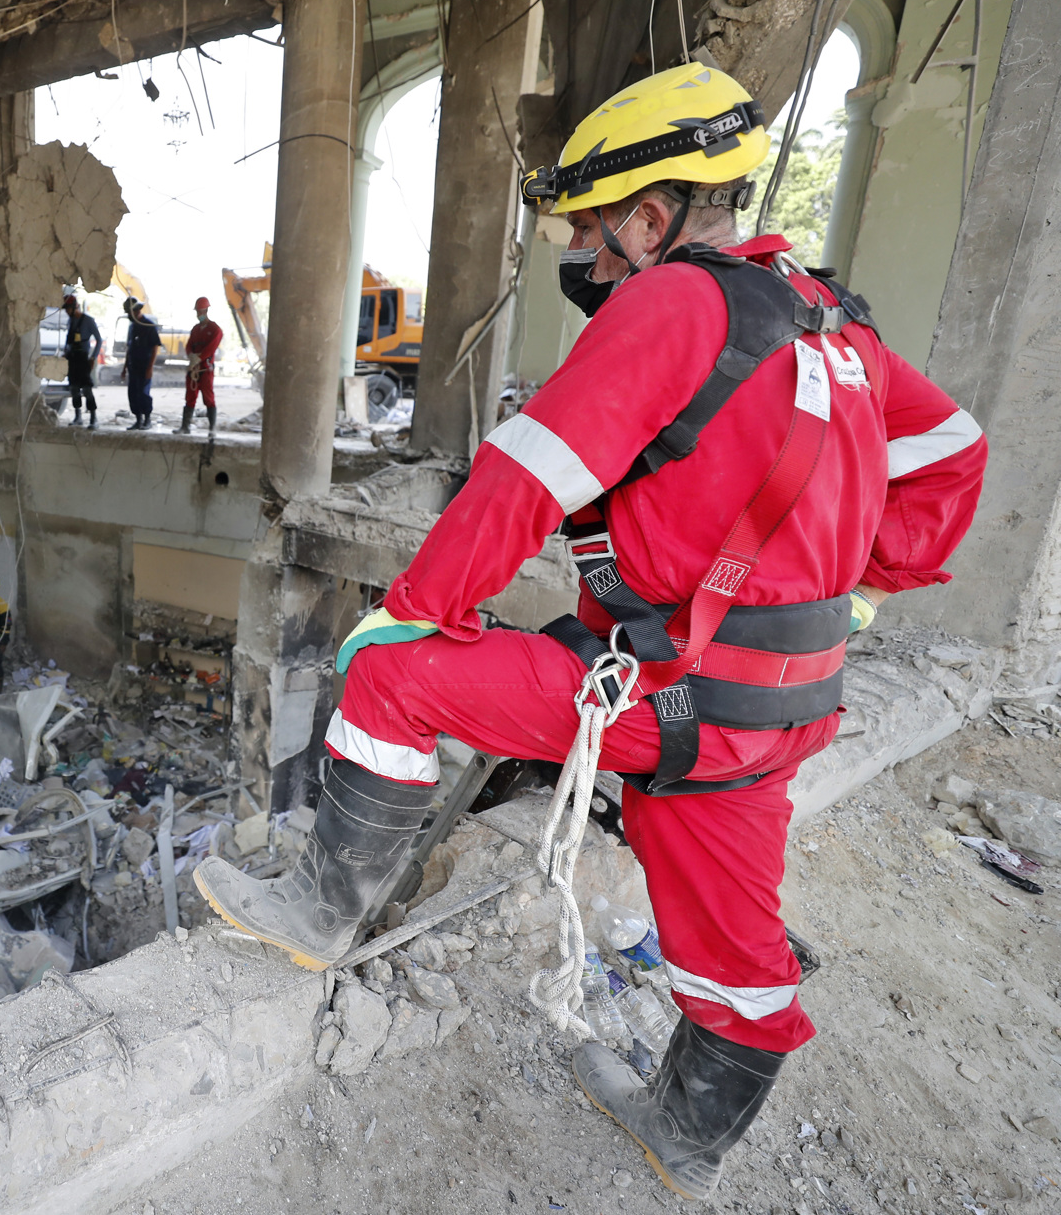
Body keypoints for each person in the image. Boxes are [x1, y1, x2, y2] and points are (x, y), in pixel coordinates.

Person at [192, 63, 986, 1201]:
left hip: (670, 698)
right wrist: (854, 584)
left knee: (391, 678)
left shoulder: (676, 303)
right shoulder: (832, 324)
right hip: (783, 709)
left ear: (650, 220)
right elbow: (955, 451)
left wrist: (415, 610)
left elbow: (525, 477)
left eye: (590, 230)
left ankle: (319, 915)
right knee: (736, 944)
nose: (582, 254)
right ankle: (688, 1135)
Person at [180, 296, 222, 434]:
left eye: (201, 311)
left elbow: (211, 348)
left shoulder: (215, 330)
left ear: (206, 311)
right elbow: (189, 345)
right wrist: (191, 356)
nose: (199, 314)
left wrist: (198, 358)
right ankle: (185, 427)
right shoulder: (195, 329)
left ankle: (212, 428)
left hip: (205, 369)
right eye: (198, 312)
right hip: (194, 369)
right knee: (190, 396)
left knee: (208, 397)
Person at [62, 293, 100, 428]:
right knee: (74, 388)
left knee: (87, 389)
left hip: (83, 358)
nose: (67, 312)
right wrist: (65, 353)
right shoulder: (71, 322)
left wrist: (93, 357)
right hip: (72, 358)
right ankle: (78, 417)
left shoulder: (88, 321)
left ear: (74, 307)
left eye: (68, 309)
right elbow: (68, 341)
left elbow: (99, 340)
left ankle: (93, 418)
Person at [123, 298, 160, 430]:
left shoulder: (149, 326)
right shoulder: (132, 327)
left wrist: (150, 367)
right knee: (133, 393)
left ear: (136, 311)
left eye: (129, 312)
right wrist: (124, 367)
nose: (128, 315)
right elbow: (129, 348)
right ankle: (138, 420)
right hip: (133, 366)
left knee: (143, 393)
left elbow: (155, 348)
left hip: (144, 366)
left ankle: (147, 420)